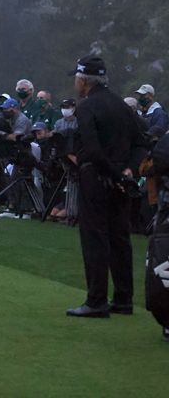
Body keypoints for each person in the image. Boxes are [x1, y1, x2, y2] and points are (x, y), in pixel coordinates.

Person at [66, 56, 148, 318]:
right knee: (119, 238)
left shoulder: (87, 107)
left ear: (83, 80)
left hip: (96, 178)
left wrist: (114, 173)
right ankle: (123, 300)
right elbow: (141, 142)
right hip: (121, 182)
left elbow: (91, 148)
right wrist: (128, 172)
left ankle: (96, 300)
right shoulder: (122, 106)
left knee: (95, 238)